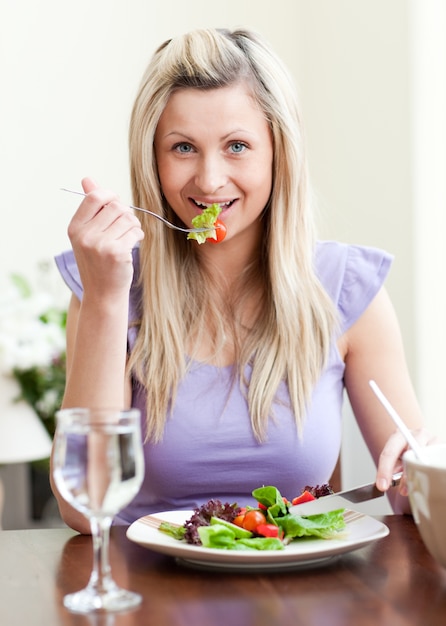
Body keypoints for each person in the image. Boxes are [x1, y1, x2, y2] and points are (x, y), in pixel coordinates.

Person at [51, 27, 436, 534]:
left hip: (298, 597)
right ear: (153, 158)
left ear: (280, 153)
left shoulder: (348, 290)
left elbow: (414, 496)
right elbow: (84, 509)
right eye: (183, 147)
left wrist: (419, 466)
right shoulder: (109, 283)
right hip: (147, 592)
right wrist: (105, 297)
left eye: (237, 146)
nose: (209, 180)